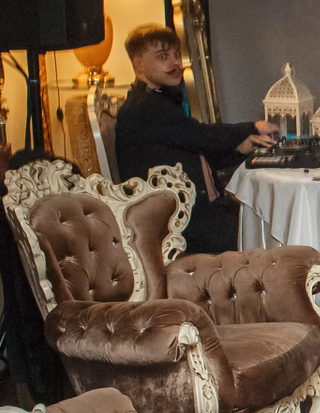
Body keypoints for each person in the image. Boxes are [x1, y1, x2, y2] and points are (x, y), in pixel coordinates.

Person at [113, 24, 278, 255]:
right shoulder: (143, 108)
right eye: (163, 57)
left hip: (193, 213)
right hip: (177, 226)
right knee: (268, 228)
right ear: (138, 64)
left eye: (176, 55)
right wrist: (252, 127)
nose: (175, 63)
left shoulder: (160, 101)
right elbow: (202, 135)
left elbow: (196, 153)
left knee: (261, 218)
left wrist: (240, 149)